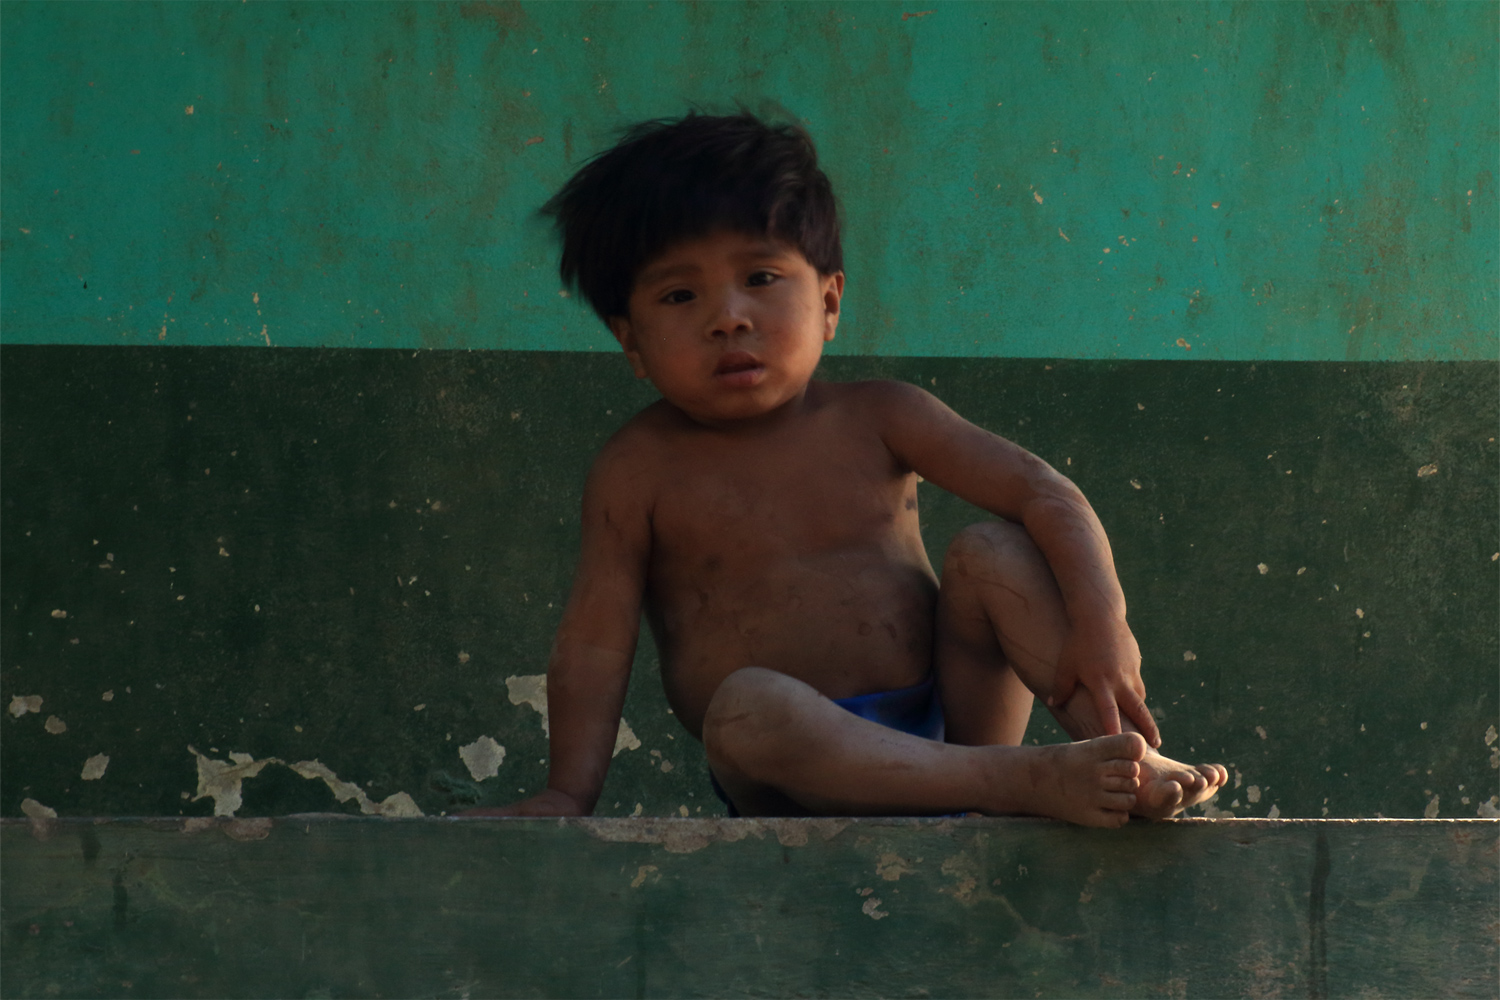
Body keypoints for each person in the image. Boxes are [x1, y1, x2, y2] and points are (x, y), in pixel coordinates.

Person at [466, 112, 1226, 825]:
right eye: (679, 293)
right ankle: (1025, 781)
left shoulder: (885, 416)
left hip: (953, 730)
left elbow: (1043, 493)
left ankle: (1126, 756)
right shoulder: (637, 468)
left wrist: (1105, 630)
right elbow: (596, 643)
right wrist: (568, 792)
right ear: (630, 342)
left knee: (995, 552)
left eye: (761, 278)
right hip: (790, 763)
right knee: (745, 705)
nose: (728, 315)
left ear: (829, 301)